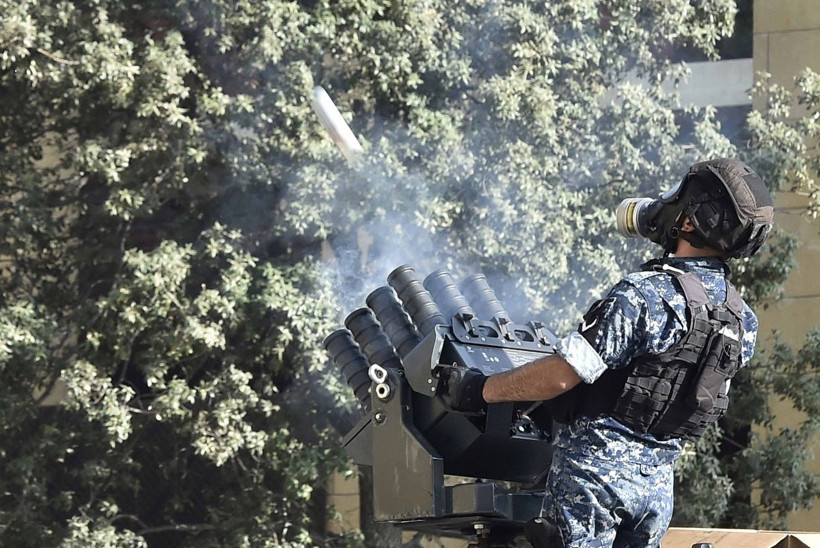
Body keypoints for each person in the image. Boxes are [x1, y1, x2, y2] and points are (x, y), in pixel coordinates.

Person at [441, 158, 775, 547]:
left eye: (678, 195)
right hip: (655, 493)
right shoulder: (740, 322)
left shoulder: (646, 295)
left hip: (592, 486)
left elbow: (562, 375)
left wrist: (479, 389)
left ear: (687, 222)